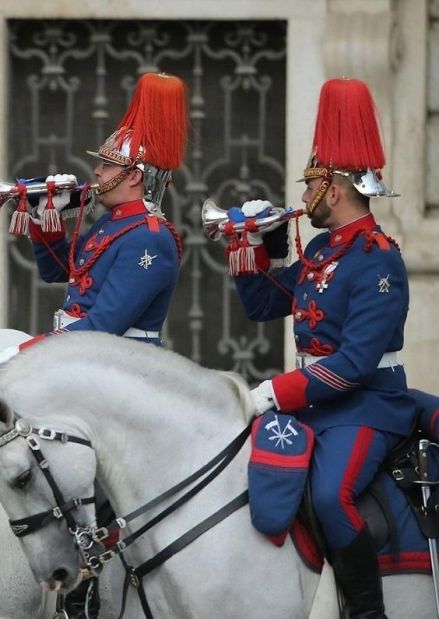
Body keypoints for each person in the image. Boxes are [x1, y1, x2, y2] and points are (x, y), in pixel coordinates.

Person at [234, 78, 414, 619]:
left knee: (333, 496)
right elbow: (264, 304)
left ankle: (367, 612)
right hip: (315, 403)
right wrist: (252, 245)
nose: (304, 195)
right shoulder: (320, 247)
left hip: (365, 405)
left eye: (311, 184)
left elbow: (355, 365)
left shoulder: (378, 259)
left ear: (332, 190)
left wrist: (275, 392)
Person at [0, 72, 187, 360]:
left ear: (133, 176)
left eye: (107, 165)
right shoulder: (113, 222)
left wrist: (25, 353)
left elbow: (103, 325)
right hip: (87, 354)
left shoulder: (149, 236)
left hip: (121, 362)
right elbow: (57, 271)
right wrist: (46, 215)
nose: (97, 171)